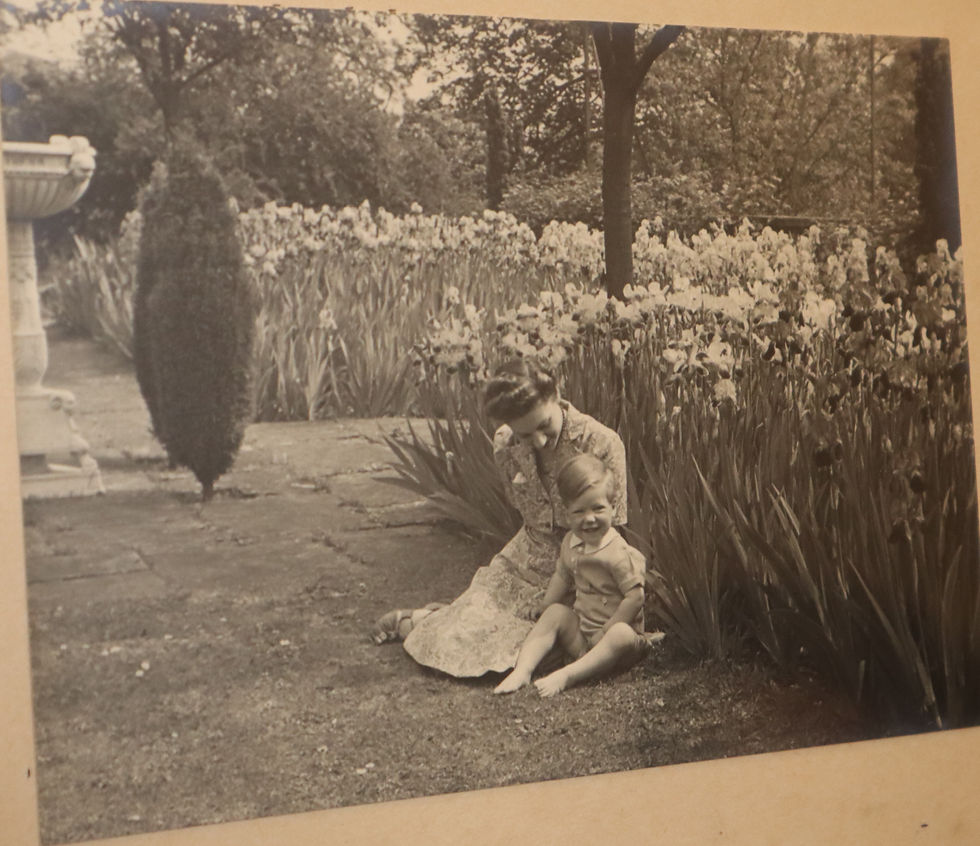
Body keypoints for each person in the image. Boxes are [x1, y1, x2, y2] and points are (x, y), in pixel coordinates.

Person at [372, 357, 629, 678]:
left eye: (543, 427)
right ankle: (420, 620)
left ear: (556, 395)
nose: (536, 442)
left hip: (583, 562)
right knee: (473, 624)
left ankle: (426, 620)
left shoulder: (601, 443)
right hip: (527, 555)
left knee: (532, 644)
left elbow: (612, 529)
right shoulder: (505, 443)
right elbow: (527, 513)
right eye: (524, 435)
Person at [494, 453, 658, 697]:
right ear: (567, 514)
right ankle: (523, 670)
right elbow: (562, 574)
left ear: (613, 508)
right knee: (555, 613)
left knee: (621, 634)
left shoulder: (620, 553)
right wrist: (547, 603)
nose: (589, 518)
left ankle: (567, 675)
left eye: (598, 508)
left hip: (617, 646)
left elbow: (635, 598)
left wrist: (608, 627)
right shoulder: (571, 542)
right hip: (584, 636)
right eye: (579, 512)